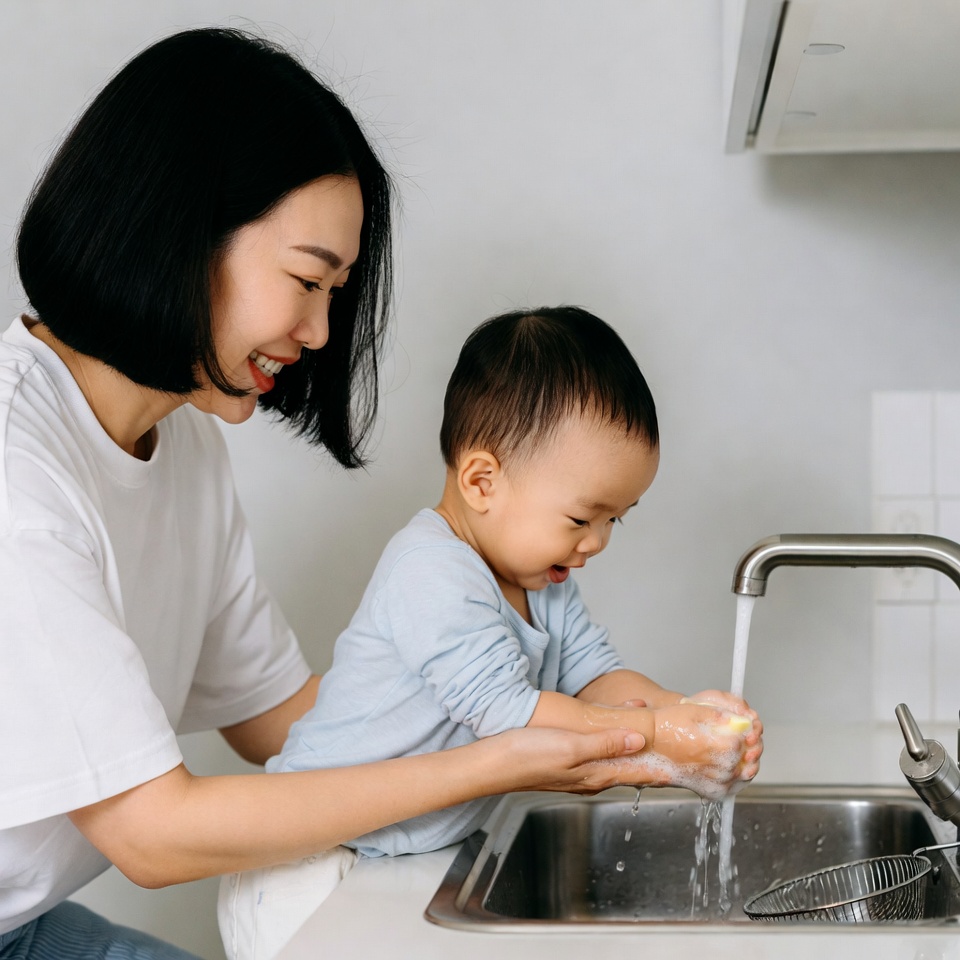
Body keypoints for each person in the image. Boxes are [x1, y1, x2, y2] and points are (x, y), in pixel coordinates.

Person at [0, 29, 685, 960]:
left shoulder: (186, 443)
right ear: (178, 230)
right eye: (308, 279)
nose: (323, 330)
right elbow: (154, 835)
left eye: (339, 289)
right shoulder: (17, 472)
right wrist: (494, 759)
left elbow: (287, 720)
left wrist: (490, 675)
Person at [222, 306, 763, 959]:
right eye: (582, 517)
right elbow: (510, 722)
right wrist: (656, 736)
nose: (596, 542)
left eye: (616, 520)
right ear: (482, 481)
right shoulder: (430, 573)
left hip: (392, 850)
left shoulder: (544, 580)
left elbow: (597, 678)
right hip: (304, 861)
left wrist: (686, 713)